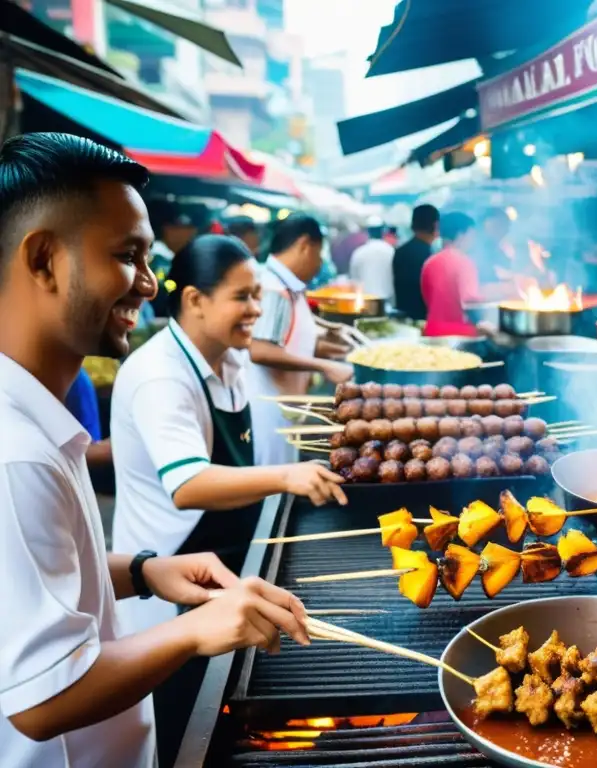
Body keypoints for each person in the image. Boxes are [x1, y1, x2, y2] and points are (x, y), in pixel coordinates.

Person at [0, 132, 309, 768]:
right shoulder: (16, 452)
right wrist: (195, 630)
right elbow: (40, 700)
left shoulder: (35, 419)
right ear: (43, 260)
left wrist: (142, 572)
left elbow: (42, 569)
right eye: (128, 255)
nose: (148, 284)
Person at [110, 234, 346, 765]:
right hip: (168, 580)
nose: (256, 310)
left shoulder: (227, 358)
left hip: (224, 555)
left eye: (259, 295)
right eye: (243, 297)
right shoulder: (159, 375)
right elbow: (189, 483)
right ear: (195, 299)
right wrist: (286, 476)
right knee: (184, 717)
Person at [248, 213, 352, 466]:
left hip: (285, 408)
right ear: (304, 245)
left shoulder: (287, 285)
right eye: (318, 254)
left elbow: (289, 337)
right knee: (272, 488)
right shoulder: (274, 288)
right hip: (269, 410)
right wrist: (324, 366)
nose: (319, 264)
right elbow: (260, 350)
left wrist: (334, 348)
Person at [421, 212, 485, 336]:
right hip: (460, 333)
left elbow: (428, 298)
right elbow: (470, 300)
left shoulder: (430, 262)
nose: (473, 241)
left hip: (431, 330)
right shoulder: (464, 262)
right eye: (471, 235)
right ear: (461, 235)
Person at [392, 204, 439, 320]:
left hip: (402, 317)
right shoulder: (430, 256)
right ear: (436, 225)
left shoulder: (400, 252)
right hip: (424, 319)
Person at [349, 220, 396, 302]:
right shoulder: (391, 251)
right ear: (382, 231)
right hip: (387, 299)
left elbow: (354, 278)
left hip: (364, 300)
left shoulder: (359, 252)